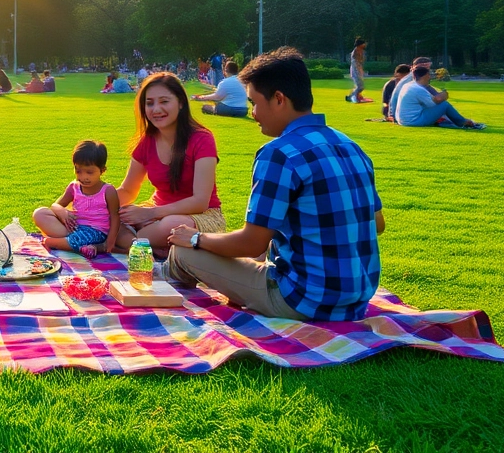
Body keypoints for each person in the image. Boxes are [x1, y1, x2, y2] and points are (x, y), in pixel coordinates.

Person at [163, 47, 386, 322]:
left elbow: (250, 242)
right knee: (260, 247)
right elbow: (377, 223)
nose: (253, 112)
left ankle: (165, 280)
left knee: (184, 250)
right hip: (357, 298)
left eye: (254, 102)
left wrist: (196, 238)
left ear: (279, 99)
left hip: (302, 300)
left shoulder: (280, 153)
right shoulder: (351, 146)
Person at [114, 73, 225, 256]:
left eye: (164, 101)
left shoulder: (202, 139)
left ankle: (134, 245)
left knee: (172, 226)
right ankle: (149, 248)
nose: (156, 109)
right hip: (154, 215)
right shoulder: (147, 142)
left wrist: (151, 214)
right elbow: (127, 191)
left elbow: (200, 201)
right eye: (149, 103)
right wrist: (90, 203)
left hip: (198, 216)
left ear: (181, 103)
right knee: (110, 217)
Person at [32, 140, 121, 259]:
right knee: (40, 213)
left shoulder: (108, 191)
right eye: (78, 171)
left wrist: (109, 242)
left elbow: (115, 217)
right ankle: (78, 245)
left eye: (89, 172)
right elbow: (55, 205)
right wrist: (62, 212)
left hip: (96, 231)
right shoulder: (74, 187)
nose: (83, 177)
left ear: (102, 170)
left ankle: (52, 242)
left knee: (80, 238)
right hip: (73, 228)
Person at [396, 66, 484, 129]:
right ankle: (463, 122)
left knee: (442, 107)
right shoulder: (418, 89)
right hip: (413, 121)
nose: (430, 77)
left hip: (404, 120)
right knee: (444, 105)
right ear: (425, 76)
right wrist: (443, 96)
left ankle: (457, 121)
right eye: (429, 75)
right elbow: (433, 104)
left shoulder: (409, 85)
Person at [390, 56, 441, 122]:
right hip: (405, 115)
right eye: (426, 68)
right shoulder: (414, 78)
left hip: (399, 114)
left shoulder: (412, 77)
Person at [347, 38, 371, 103]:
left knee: (360, 86)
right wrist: (359, 71)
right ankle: (352, 96)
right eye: (364, 44)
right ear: (360, 44)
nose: (365, 45)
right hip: (355, 71)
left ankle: (351, 96)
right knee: (360, 87)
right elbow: (356, 63)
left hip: (358, 71)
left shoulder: (361, 51)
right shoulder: (355, 52)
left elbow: (360, 62)